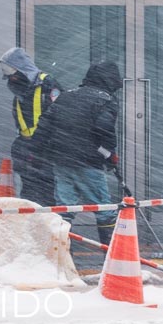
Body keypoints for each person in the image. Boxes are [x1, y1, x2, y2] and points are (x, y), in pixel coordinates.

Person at [46, 60, 124, 246]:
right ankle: (110, 254)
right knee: (103, 207)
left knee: (64, 209)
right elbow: (104, 129)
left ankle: (63, 255)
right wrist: (109, 154)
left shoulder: (67, 96)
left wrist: (40, 150)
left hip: (61, 159)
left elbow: (46, 124)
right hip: (88, 161)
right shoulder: (105, 100)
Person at [0, 46, 63, 206]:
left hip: (44, 149)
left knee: (45, 194)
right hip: (28, 149)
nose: (12, 80)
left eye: (13, 76)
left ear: (22, 71)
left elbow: (58, 115)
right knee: (30, 194)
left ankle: (46, 224)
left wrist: (41, 143)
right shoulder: (21, 91)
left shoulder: (47, 84)